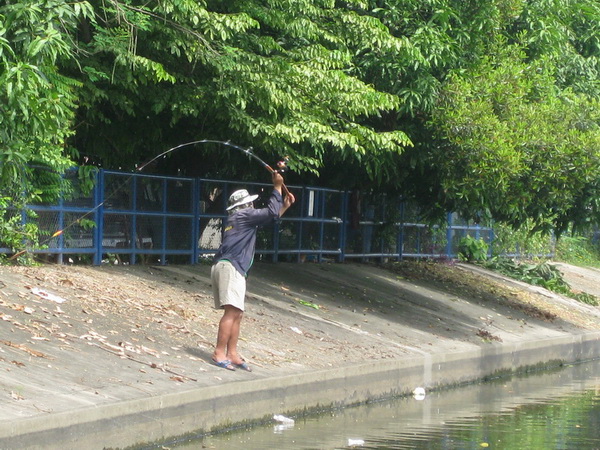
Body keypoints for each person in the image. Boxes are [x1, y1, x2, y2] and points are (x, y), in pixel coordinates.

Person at [211, 172, 295, 371]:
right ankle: (219, 352)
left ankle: (232, 353)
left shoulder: (238, 219)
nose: (252, 206)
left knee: (237, 313)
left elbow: (271, 215)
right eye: (250, 203)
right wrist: (277, 186)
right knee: (232, 313)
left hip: (229, 267)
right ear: (244, 206)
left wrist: (284, 206)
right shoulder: (242, 215)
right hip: (230, 267)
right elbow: (270, 213)